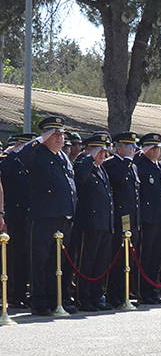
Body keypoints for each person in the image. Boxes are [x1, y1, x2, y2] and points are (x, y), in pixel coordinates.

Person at [16, 117, 78, 316]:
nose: (60, 139)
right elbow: (21, 155)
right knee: (41, 260)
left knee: (59, 262)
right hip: (44, 216)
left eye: (61, 135)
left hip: (64, 215)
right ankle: (39, 301)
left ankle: (57, 299)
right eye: (55, 135)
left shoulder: (63, 157)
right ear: (46, 136)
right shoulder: (37, 153)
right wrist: (40, 139)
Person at [72, 132, 115, 311]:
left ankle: (96, 296)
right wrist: (89, 158)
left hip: (104, 223)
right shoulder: (83, 165)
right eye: (100, 151)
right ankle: (83, 297)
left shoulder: (101, 169)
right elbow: (79, 179)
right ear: (91, 151)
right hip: (89, 224)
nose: (103, 155)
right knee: (87, 263)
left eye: (104, 152)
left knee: (100, 263)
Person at [103, 132, 140, 307]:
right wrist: (126, 163)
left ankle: (124, 293)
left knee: (128, 259)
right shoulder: (112, 164)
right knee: (117, 257)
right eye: (129, 146)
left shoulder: (131, 165)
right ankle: (113, 295)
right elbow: (118, 183)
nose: (133, 149)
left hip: (131, 218)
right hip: (119, 217)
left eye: (133, 146)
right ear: (118, 147)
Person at [133, 133, 161, 305]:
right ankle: (142, 291)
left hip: (160, 219)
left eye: (159, 148)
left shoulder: (160, 167)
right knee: (145, 257)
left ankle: (152, 290)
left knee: (156, 257)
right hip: (147, 220)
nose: (157, 151)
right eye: (153, 147)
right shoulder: (139, 165)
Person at [1, 132, 35, 308]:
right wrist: (12, 153)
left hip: (29, 216)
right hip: (14, 216)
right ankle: (15, 294)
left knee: (26, 256)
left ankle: (24, 292)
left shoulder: (30, 163)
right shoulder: (10, 161)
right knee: (15, 257)